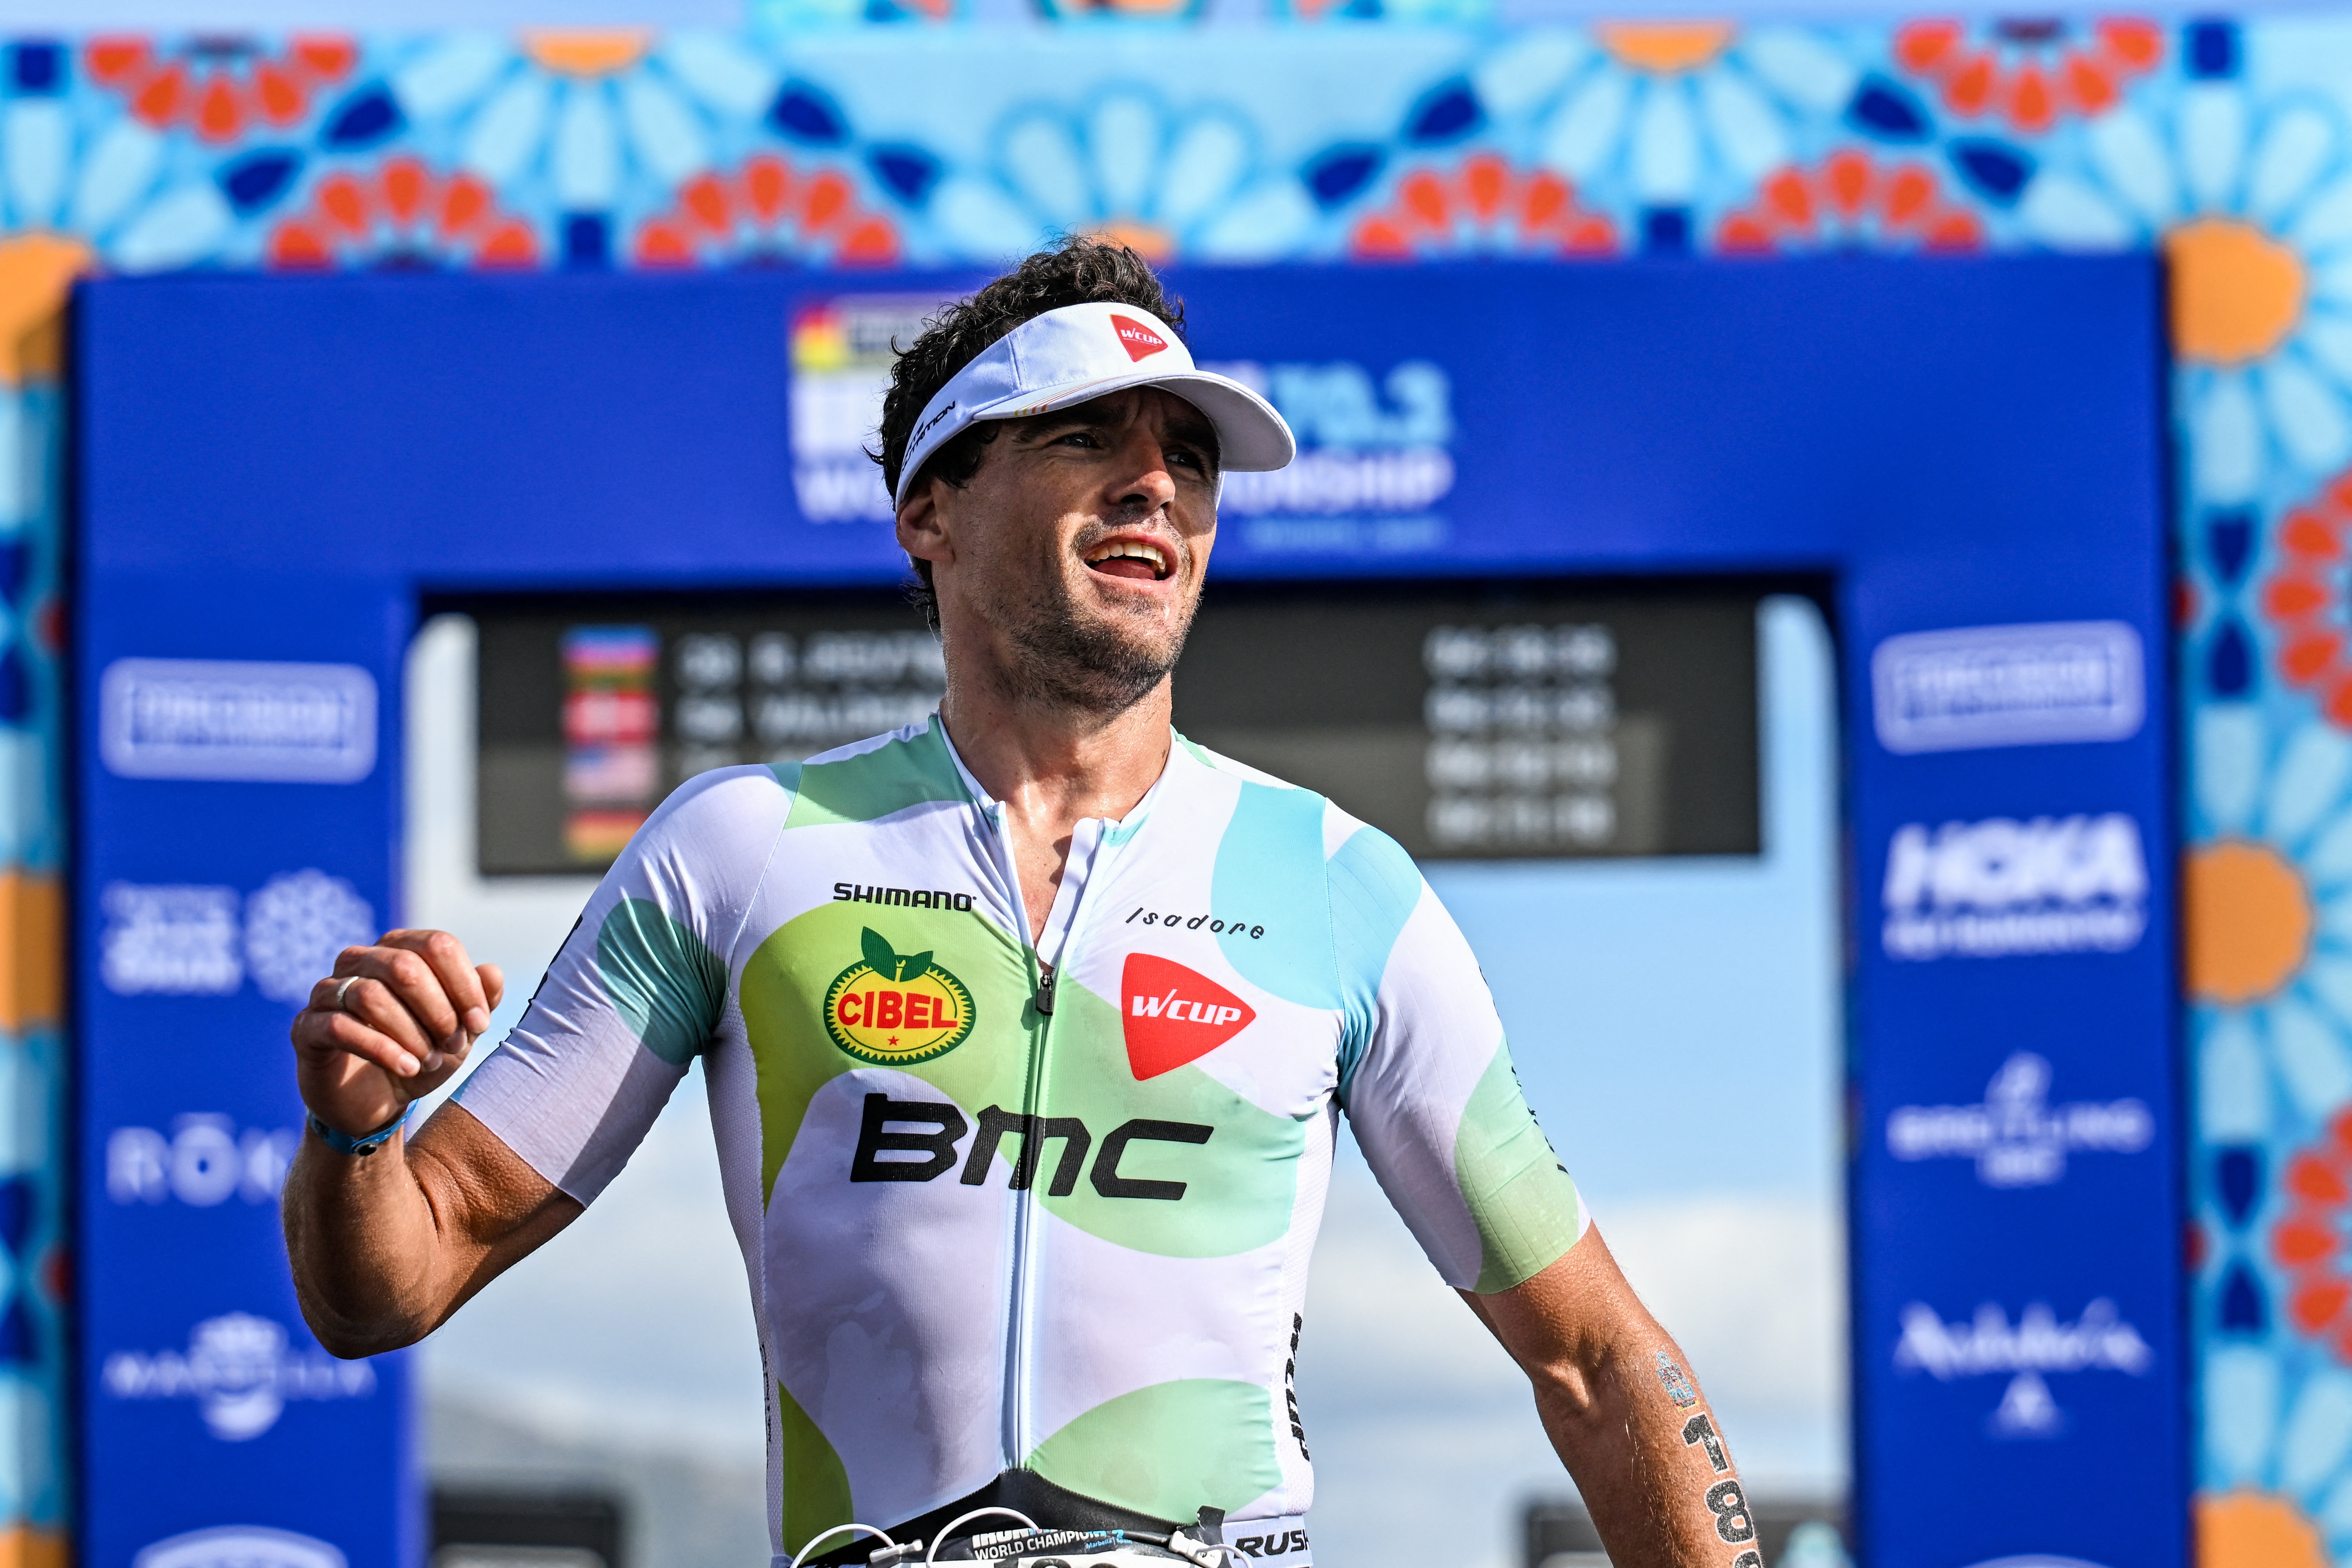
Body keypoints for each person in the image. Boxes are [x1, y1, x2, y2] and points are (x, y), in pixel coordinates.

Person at [284, 237, 1756, 1568]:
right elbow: (394, 1280)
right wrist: (356, 1129)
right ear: (933, 509)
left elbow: (1602, 1364)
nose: (1157, 483)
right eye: (1085, 436)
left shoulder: (1336, 886)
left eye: (1191, 455)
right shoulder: (741, 850)